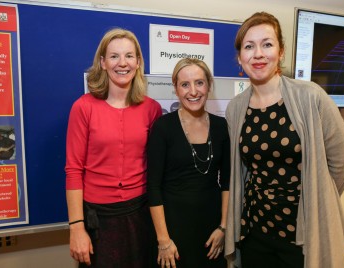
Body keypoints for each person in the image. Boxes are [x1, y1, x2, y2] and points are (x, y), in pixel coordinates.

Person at [224, 12, 344, 268]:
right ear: (240, 58)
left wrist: (318, 199)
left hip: (303, 234)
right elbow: (241, 171)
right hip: (255, 230)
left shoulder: (311, 96)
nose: (258, 54)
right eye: (249, 47)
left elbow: (342, 163)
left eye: (267, 44)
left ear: (281, 52)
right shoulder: (236, 108)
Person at [65, 28, 162, 268]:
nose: (122, 63)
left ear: (138, 63)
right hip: (99, 220)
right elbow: (74, 170)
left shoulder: (152, 109)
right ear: (103, 62)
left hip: (141, 214)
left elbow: (157, 169)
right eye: (114, 56)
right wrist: (76, 227)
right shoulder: (83, 107)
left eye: (129, 56)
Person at [147, 58, 230, 268]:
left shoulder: (222, 126)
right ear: (176, 89)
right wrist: (163, 240)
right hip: (173, 233)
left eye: (199, 83)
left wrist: (223, 227)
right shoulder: (163, 127)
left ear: (209, 85)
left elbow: (228, 183)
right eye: (185, 84)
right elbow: (153, 187)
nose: (193, 91)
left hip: (212, 233)